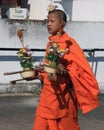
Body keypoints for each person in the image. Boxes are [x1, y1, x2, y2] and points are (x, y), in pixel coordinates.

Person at [32, 9, 100, 130]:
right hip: (48, 96)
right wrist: (38, 75)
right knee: (40, 126)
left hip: (64, 97)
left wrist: (63, 71)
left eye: (52, 21)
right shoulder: (50, 44)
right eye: (47, 21)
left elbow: (79, 70)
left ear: (62, 23)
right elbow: (48, 70)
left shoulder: (70, 44)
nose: (48, 24)